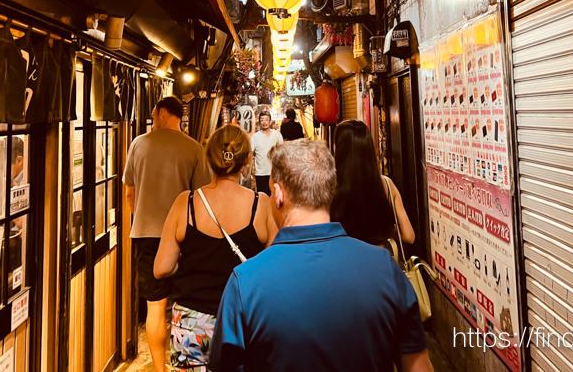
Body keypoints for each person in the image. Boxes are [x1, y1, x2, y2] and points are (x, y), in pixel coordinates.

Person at [209, 139, 433, 372]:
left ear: (278, 194)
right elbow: (418, 366)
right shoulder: (385, 268)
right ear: (329, 191)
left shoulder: (245, 282)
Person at [153, 125, 277, 370]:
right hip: (244, 321)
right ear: (246, 163)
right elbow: (274, 271)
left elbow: (160, 269)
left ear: (208, 160)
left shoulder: (185, 203)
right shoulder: (260, 205)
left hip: (191, 322)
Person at [123, 96, 212, 372]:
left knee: (155, 307)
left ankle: (160, 369)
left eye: (153, 114)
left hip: (147, 235)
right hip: (185, 236)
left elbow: (129, 191)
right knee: (182, 303)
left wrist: (141, 216)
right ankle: (182, 362)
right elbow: (202, 197)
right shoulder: (193, 148)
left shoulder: (139, 144)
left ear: (162, 113)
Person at [331, 120, 415, 247]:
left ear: (337, 147)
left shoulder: (328, 186)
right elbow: (408, 236)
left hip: (340, 258)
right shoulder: (387, 185)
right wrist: (385, 230)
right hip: (377, 261)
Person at [249, 111, 283, 196]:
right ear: (259, 122)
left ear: (270, 121)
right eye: (262, 120)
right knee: (262, 197)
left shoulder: (277, 135)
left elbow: (282, 152)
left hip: (274, 173)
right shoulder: (255, 137)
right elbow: (251, 155)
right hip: (260, 173)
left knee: (275, 197)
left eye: (266, 120)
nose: (264, 122)